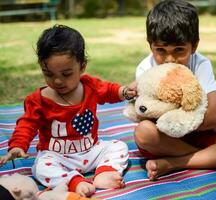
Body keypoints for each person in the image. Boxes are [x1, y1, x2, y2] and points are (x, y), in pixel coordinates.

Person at [0, 24, 136, 197]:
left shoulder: (89, 86)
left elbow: (109, 90)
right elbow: (27, 124)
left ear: (82, 66)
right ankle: (73, 181)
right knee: (41, 167)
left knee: (119, 146)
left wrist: (124, 91)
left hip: (91, 151)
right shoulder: (39, 100)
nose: (57, 81)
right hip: (57, 157)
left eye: (66, 74)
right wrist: (18, 145)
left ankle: (104, 172)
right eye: (48, 74)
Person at [134, 0, 216, 181]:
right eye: (161, 50)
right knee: (143, 132)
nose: (170, 59)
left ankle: (174, 163)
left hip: (200, 134)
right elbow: (147, 117)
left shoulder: (201, 63)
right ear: (150, 45)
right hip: (167, 140)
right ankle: (212, 157)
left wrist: (206, 117)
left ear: (194, 46)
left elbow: (215, 116)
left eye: (179, 50)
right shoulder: (145, 68)